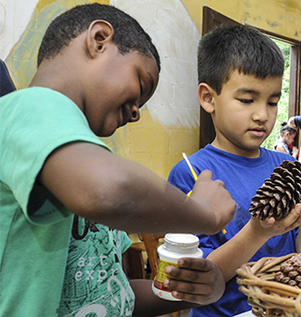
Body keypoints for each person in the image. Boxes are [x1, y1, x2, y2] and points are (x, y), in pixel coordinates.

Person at [0, 4, 234, 316]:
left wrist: (188, 292)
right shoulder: (28, 107)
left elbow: (114, 291)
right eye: (141, 84)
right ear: (99, 39)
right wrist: (205, 213)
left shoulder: (88, 157)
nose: (136, 113)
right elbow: (107, 190)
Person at [167, 25, 301, 317]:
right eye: (246, 100)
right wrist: (256, 232)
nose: (262, 115)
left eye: (273, 102)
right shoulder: (192, 173)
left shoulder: (286, 167)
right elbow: (195, 279)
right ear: (208, 98)